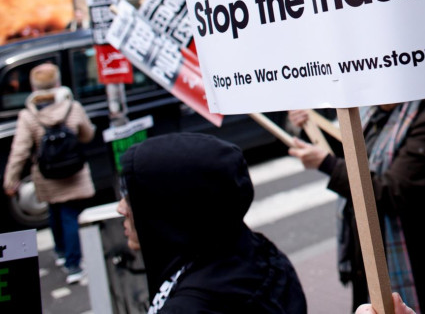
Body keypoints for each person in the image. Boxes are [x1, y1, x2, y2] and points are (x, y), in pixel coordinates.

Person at [289, 97, 425, 314]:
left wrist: (327, 164)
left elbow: (391, 192)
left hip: (419, 259)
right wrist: (309, 127)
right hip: (373, 253)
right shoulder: (374, 114)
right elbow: (353, 153)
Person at [117, 133, 307, 313]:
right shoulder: (254, 250)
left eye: (132, 198)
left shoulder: (190, 307)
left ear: (174, 207)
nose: (120, 208)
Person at [3, 62, 95, 284]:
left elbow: (20, 151)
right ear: (57, 83)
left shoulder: (28, 116)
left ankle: (61, 253)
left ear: (34, 88)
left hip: (46, 175)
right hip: (73, 172)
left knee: (54, 211)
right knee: (70, 215)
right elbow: (87, 135)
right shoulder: (73, 107)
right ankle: (74, 266)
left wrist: (11, 180)